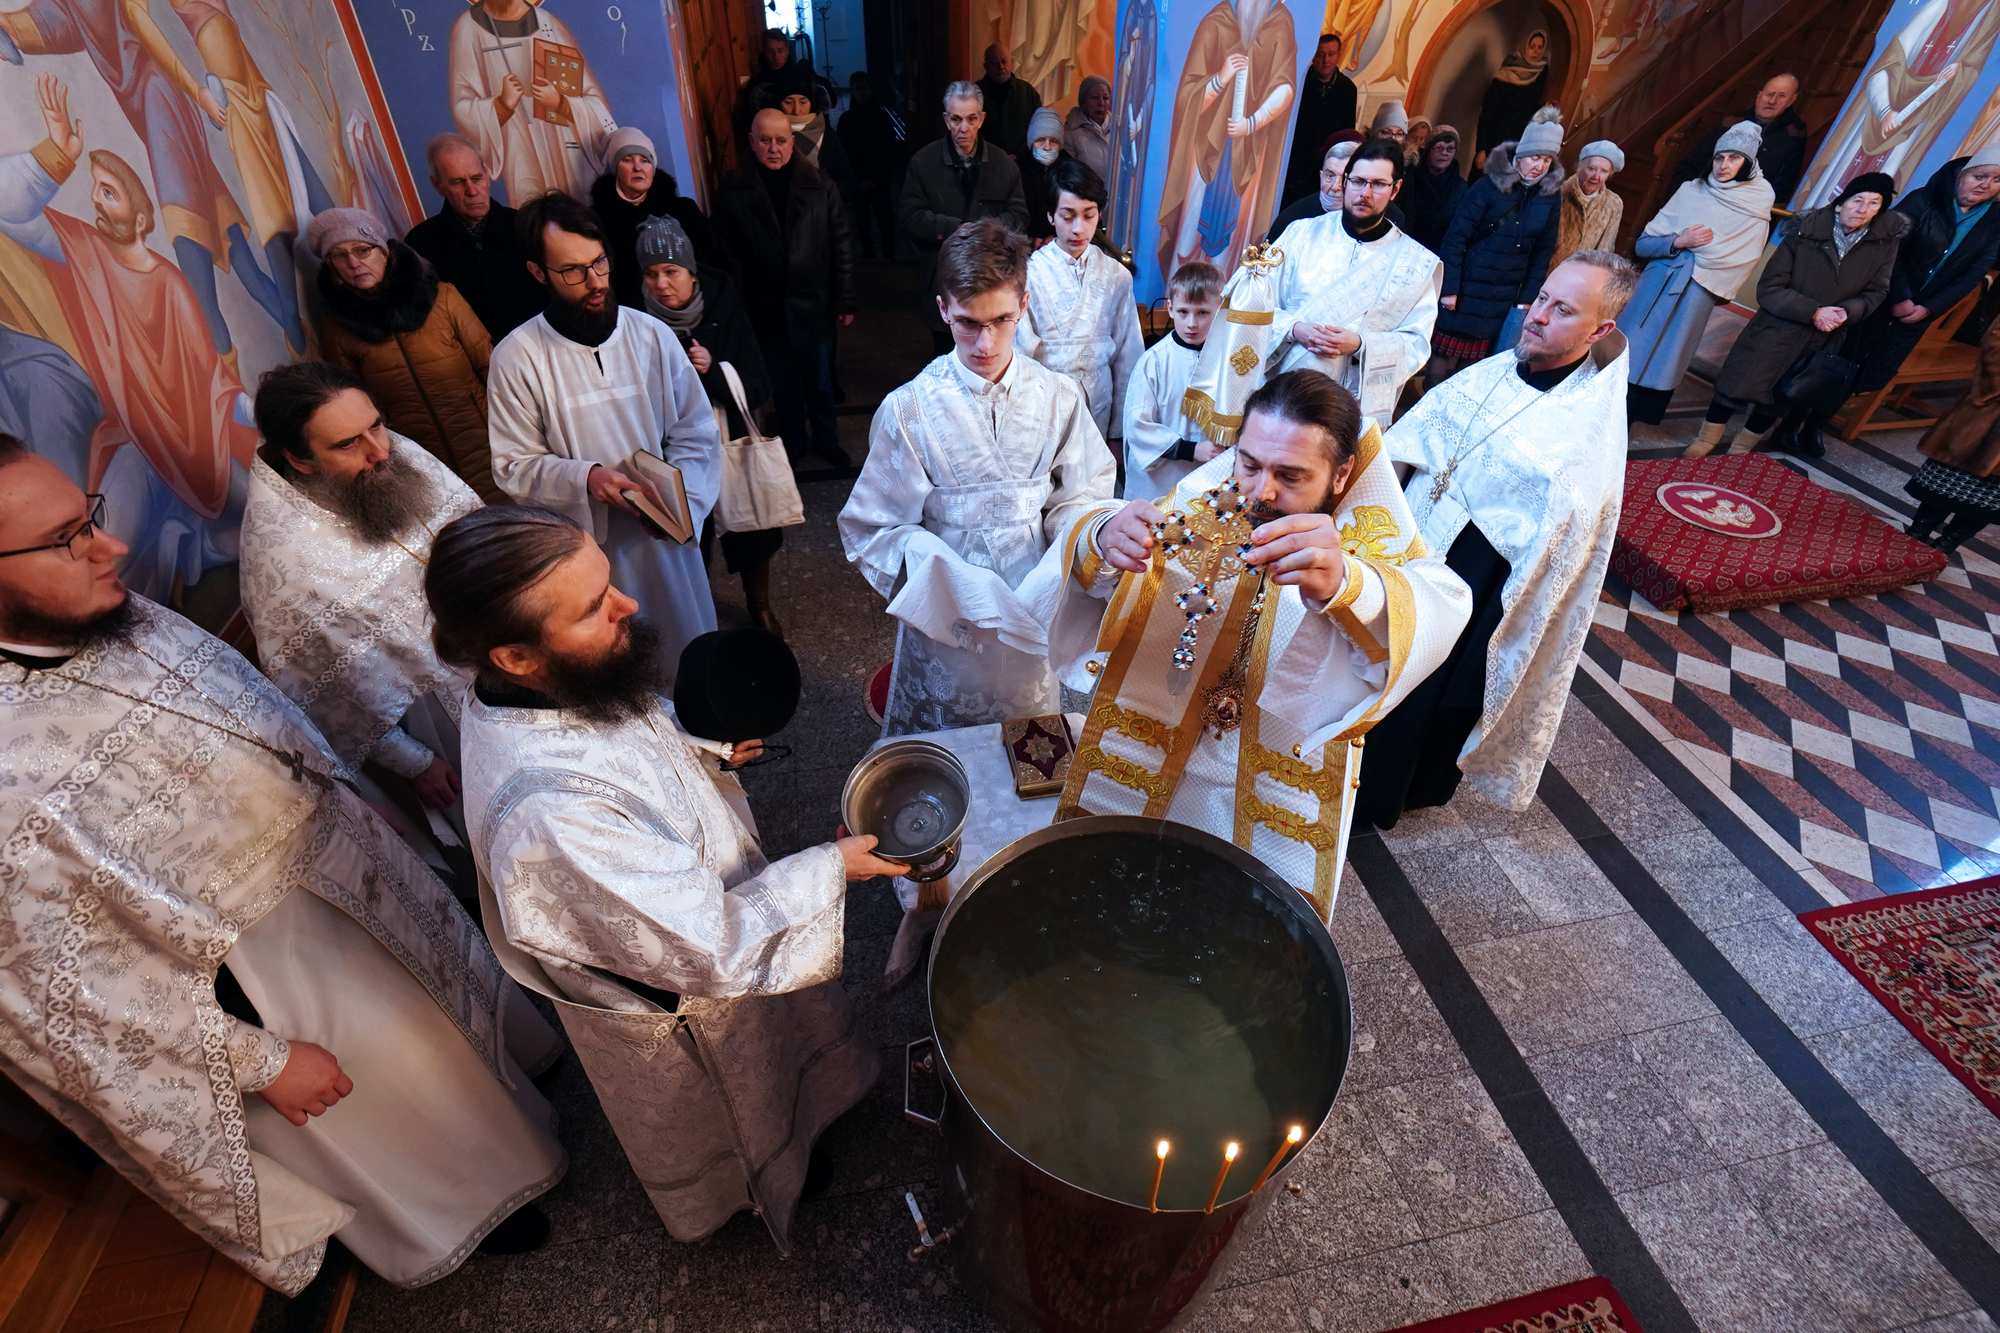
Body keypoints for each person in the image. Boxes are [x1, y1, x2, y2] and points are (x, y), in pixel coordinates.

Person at [0, 440, 563, 1294]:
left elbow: (239, 707)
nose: (109, 548)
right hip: (259, 967)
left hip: (343, 862)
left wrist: (340, 785)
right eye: (67, 537)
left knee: (455, 1044)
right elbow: (62, 1000)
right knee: (404, 1102)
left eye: (90, 515)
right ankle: (468, 1215)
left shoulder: (106, 610)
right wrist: (260, 1062)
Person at [436, 505, 902, 1253]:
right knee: (742, 1103)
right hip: (685, 999)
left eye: (608, 583)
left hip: (697, 906)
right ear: (517, 654)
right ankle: (760, 1181)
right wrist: (830, 867)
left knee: (783, 1045)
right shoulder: (548, 820)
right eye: (595, 608)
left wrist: (700, 748)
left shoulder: (531, 686)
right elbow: (709, 947)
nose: (629, 605)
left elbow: (616, 735)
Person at [1038, 369, 1471, 903]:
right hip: (1156, 758)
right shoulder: (1208, 502)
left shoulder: (1369, 546)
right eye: (1248, 464)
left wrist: (1348, 586)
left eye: (1290, 476)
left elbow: (1440, 603)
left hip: (1273, 791)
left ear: (1342, 475)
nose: (1259, 491)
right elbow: (1095, 568)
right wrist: (1102, 536)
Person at [1363, 251, 1635, 826]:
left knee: (1425, 692)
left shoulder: (1584, 430)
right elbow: (1415, 439)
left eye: (1563, 310)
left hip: (1479, 577)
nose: (1537, 316)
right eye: (1541, 298)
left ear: (1600, 330)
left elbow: (1567, 535)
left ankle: (1376, 797)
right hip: (1413, 538)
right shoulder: (1493, 371)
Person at [840, 219, 1115, 735]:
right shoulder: (908, 410)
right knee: (949, 755)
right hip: (950, 613)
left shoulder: (1059, 396)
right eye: (968, 322)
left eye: (1002, 320)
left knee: (1029, 744)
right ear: (943, 309)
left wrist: (1082, 543)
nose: (985, 343)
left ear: (1024, 305)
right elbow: (873, 527)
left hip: (1033, 602)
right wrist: (946, 575)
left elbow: (1081, 497)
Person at [239, 362, 483, 860]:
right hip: (436, 718)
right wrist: (414, 763)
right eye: (348, 443)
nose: (379, 450)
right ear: (300, 460)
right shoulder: (281, 557)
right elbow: (317, 693)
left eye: (376, 423)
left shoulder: (395, 452)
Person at [486, 191, 721, 669]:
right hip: (586, 553)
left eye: (600, 263)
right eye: (572, 271)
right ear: (538, 273)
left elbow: (695, 431)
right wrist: (587, 478)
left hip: (666, 543)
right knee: (616, 668)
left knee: (688, 659)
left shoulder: (650, 334)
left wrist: (681, 510)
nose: (594, 282)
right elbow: (513, 465)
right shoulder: (517, 356)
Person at [635, 217, 786, 636]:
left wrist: (713, 371)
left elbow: (759, 385)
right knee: (688, 541)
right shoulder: (634, 326)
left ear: (691, 272)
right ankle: (696, 613)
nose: (661, 283)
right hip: (672, 454)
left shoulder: (726, 311)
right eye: (651, 273)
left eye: (671, 271)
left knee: (751, 532)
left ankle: (760, 607)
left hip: (731, 444)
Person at [1686, 174, 1902, 458]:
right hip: (1776, 328)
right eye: (1857, 200)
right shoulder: (1804, 233)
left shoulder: (1883, 245)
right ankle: (1706, 439)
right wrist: (1813, 311)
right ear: (1840, 204)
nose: (1863, 208)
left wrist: (1845, 313)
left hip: (1824, 336)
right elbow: (1770, 287)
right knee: (1737, 384)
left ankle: (1741, 449)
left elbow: (1877, 291)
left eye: (1874, 203)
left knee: (1781, 395)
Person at [306, 208, 502, 505]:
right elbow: (353, 406)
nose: (354, 263)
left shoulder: (444, 298)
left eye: (363, 250)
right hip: (417, 460)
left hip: (486, 443)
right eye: (339, 255)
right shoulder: (338, 327)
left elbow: (492, 369)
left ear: (384, 253)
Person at [713, 109, 856, 472]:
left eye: (780, 140)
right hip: (766, 307)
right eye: (765, 140)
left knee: (820, 383)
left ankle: (827, 441)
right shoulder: (734, 190)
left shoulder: (821, 186)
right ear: (752, 142)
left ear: (793, 143)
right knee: (783, 384)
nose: (773, 148)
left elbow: (841, 244)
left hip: (814, 304)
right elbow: (722, 253)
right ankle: (793, 443)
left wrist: (845, 298)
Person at [1272, 139, 1441, 432]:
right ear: (1345, 180)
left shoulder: (1416, 264)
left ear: (1396, 189)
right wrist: (1294, 328)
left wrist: (1361, 345)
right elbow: (1251, 306)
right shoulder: (1300, 235)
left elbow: (1416, 344)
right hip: (1279, 395)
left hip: (1349, 408)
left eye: (1378, 184)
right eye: (1358, 181)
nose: (1365, 193)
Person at [1621, 122, 1775, 424]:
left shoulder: (1758, 203)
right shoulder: (1691, 190)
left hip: (1698, 291)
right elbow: (1643, 244)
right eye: (1720, 157)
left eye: (1734, 158)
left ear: (1749, 162)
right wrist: (1678, 240)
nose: (1724, 165)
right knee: (1628, 350)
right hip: (1656, 283)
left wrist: (1706, 269)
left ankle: (1633, 422)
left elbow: (1743, 258)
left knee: (1667, 359)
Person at [1155, 0, 1300, 278]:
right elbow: (1187, 94)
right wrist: (1220, 79)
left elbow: (1286, 86)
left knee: (1237, 240)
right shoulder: (1217, 20)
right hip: (1205, 148)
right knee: (1190, 229)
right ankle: (1179, 295)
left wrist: (1252, 123)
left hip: (1250, 153)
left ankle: (1223, 301)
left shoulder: (1280, 22)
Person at [1846, 150, 2000, 404]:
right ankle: (1793, 424)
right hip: (1879, 295)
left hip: (1921, 310)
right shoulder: (1923, 199)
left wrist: (1930, 308)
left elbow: (1975, 272)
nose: (1986, 185)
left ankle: (1817, 426)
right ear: (1962, 174)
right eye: (1980, 176)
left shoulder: (1994, 218)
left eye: (1996, 180)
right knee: (1840, 359)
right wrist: (1901, 296)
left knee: (1872, 370)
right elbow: (1889, 248)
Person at [1432, 108, 1566, 384]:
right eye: (1533, 157)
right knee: (1441, 359)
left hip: (1503, 296)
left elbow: (1543, 251)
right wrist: (1449, 289)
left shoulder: (1550, 197)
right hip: (1467, 286)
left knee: (1474, 365)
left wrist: (1527, 298)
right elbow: (1456, 238)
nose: (1539, 166)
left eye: (1545, 159)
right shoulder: (1487, 187)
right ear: (1519, 155)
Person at [1017, 159, 1144, 444]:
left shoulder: (1116, 276)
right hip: (1045, 407)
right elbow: (1019, 355)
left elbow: (1129, 357)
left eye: (1088, 215)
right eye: (1068, 216)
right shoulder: (1029, 275)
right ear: (1050, 216)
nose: (1078, 228)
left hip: (1100, 402)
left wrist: (1120, 433)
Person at [899, 82, 1030, 355]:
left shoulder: (1004, 164)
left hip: (993, 281)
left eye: (971, 119)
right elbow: (910, 217)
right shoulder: (923, 163)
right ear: (946, 120)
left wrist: (982, 232)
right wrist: (956, 229)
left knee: (988, 353)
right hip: (944, 279)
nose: (964, 128)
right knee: (946, 357)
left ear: (981, 119)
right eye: (956, 119)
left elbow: (1019, 216)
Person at [447, 0, 616, 202]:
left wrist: (560, 103)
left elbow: (592, 100)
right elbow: (462, 108)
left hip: (563, 150)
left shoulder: (548, 24)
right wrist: (501, 105)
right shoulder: (469, 28)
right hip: (519, 153)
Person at [404, 133, 547, 342]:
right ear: (437, 185)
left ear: (487, 175)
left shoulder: (523, 226)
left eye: (476, 178)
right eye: (458, 182)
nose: (472, 191)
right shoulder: (420, 245)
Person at [589, 126, 719, 310]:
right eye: (627, 160)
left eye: (645, 160)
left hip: (687, 308)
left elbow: (711, 263)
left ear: (653, 167)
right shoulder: (597, 220)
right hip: (630, 314)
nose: (637, 167)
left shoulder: (683, 210)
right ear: (616, 167)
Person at [1124, 260, 1222, 497]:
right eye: (1183, 312)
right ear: (1170, 309)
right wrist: (1190, 449)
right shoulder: (1153, 361)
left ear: (1220, 309)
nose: (1192, 323)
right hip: (1159, 482)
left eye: (1203, 313)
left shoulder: (1227, 360)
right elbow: (1137, 426)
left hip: (1210, 477)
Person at [1905, 315, 2000, 552]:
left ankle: (1947, 545)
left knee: (1991, 497)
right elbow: (1996, 341)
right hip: (1988, 402)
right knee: (1950, 473)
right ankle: (1916, 535)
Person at [1673, 74, 1809, 210]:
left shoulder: (1795, 133)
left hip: (1747, 209)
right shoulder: (1729, 123)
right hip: (1705, 198)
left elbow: (1783, 185)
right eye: (1769, 94)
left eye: (1781, 96)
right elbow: (1692, 164)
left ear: (1792, 100)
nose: (1772, 101)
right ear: (1759, 96)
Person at [1281, 33, 1359, 208]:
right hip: (1293, 165)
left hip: (1326, 168)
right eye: (1320, 54)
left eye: (1331, 54)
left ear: (1338, 56)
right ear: (1312, 56)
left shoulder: (1347, 90)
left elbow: (1347, 133)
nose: (1325, 60)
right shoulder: (1298, 82)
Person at [838, 71, 908, 259]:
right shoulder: (846, 120)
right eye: (858, 89)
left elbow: (889, 151)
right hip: (858, 182)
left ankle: (888, 259)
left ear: (871, 89)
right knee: (863, 225)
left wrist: (876, 177)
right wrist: (859, 178)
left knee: (886, 223)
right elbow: (845, 154)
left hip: (879, 180)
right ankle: (870, 260)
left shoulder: (882, 118)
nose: (862, 93)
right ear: (852, 91)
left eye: (865, 88)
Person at [1269, 134, 1374, 239]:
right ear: (1321, 176)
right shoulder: (1292, 219)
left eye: (1345, 178)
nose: (1335, 186)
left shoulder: (1378, 220)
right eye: (1330, 176)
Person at [1552, 141, 1625, 270]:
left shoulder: (1614, 203)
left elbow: (1604, 250)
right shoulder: (1558, 193)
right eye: (1591, 169)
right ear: (1579, 167)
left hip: (1579, 279)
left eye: (1604, 171)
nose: (1596, 177)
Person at [1477, 29, 1549, 157]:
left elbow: (1529, 109)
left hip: (1521, 141)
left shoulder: (1541, 72)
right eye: (1532, 47)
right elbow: (1488, 114)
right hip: (1496, 140)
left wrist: (1544, 107)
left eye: (1540, 47)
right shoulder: (1504, 76)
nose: (1536, 51)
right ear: (1523, 47)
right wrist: (1481, 149)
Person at [1400, 124, 1467, 254]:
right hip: (1406, 247)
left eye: (1450, 149)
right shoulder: (1410, 175)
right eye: (1438, 148)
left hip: (1436, 253)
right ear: (1428, 149)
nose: (1444, 153)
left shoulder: (1460, 187)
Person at [979, 43, 1045, 161]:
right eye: (994, 63)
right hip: (986, 163)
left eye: (1004, 62)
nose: (1001, 67)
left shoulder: (1027, 92)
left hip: (1023, 163)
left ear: (1011, 63)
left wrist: (1020, 154)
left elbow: (1039, 127)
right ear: (986, 66)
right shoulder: (975, 93)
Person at [1019, 106, 1073, 241]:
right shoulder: (1016, 169)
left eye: (1053, 141)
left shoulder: (1071, 170)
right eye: (1040, 140)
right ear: (1031, 142)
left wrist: (1055, 237)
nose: (1047, 147)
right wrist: (1028, 240)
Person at [1065, 74, 1114, 181]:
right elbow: (1070, 176)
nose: (1101, 103)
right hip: (1086, 196)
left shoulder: (1120, 130)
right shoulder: (1069, 134)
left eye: (1105, 98)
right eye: (1095, 98)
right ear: (1083, 103)